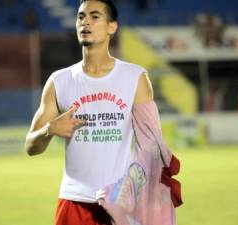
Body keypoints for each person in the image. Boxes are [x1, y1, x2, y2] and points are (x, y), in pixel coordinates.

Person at [25, 1, 177, 224]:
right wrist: (49, 130)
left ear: (111, 27)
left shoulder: (135, 78)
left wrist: (143, 193)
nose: (85, 21)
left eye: (95, 16)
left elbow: (152, 147)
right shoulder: (59, 81)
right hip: (74, 200)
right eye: (80, 16)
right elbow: (30, 146)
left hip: (121, 204)